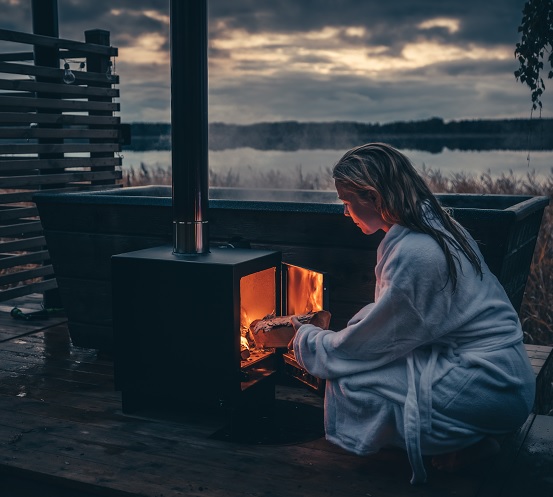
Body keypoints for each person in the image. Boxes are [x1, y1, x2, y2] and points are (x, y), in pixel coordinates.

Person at [289, 143, 536, 484]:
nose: (346, 213)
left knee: (350, 384)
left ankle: (467, 440)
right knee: (359, 360)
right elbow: (401, 322)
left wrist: (307, 340)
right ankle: (463, 437)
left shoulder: (417, 252)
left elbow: (373, 345)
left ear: (373, 197)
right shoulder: (435, 228)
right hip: (501, 373)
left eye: (347, 203)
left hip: (490, 384)